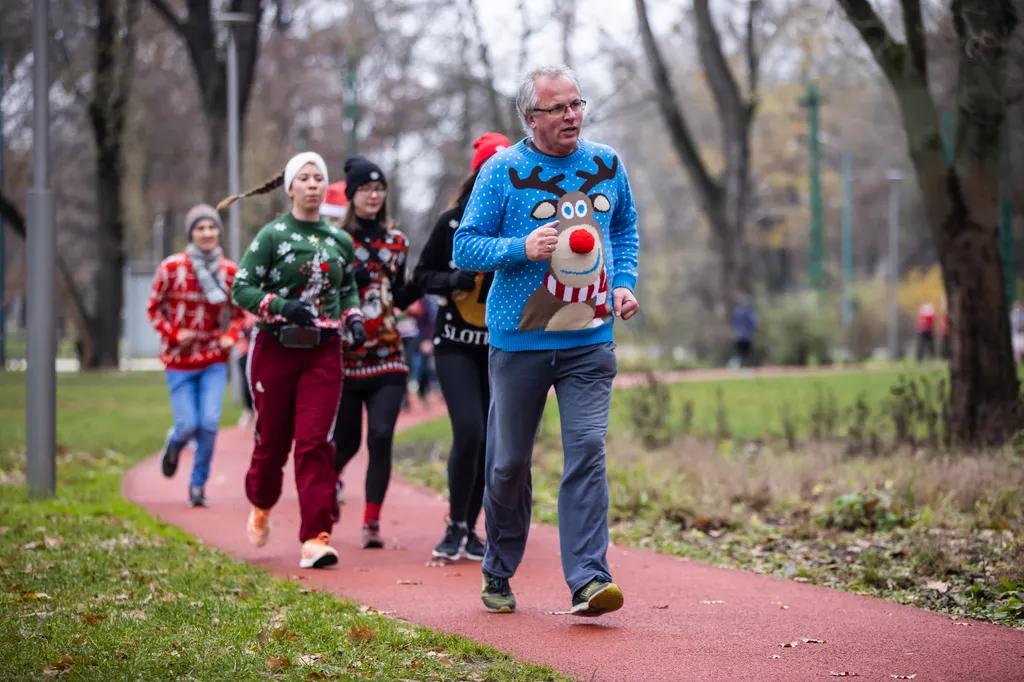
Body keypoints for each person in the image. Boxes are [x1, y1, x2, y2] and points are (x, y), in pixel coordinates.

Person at [453, 65, 640, 616]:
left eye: (577, 104)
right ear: (530, 119)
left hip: (590, 339)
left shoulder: (607, 164)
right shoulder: (502, 171)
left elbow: (624, 228)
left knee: (587, 451)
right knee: (508, 462)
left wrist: (623, 285)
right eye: (558, 108)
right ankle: (498, 567)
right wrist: (520, 247)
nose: (572, 116)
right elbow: (465, 247)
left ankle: (588, 579)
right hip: (518, 341)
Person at [220, 151, 367, 569]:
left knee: (315, 442)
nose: (313, 185)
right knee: (272, 443)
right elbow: (241, 289)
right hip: (275, 349)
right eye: (304, 178)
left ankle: (315, 538)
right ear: (289, 188)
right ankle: (262, 505)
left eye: (318, 178)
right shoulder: (272, 236)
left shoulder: (339, 239)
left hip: (323, 351)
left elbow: (347, 291)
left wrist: (353, 320)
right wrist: (282, 306)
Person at [413, 131, 508, 562]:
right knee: (469, 432)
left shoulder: (523, 221)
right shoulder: (452, 222)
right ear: (477, 175)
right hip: (454, 346)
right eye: (490, 169)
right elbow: (422, 276)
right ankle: (455, 526)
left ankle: (472, 529)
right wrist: (452, 281)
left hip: (500, 349)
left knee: (491, 443)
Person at [332, 156, 423, 549]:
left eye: (379, 188)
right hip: (346, 356)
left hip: (388, 353)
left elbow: (400, 295)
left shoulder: (396, 241)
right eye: (365, 189)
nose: (373, 195)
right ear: (351, 195)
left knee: (382, 436)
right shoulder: (335, 240)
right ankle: (320, 490)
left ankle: (371, 522)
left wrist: (427, 281)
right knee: (347, 442)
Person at [147, 204, 247, 508]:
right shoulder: (171, 268)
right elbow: (153, 309)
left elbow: (242, 315)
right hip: (178, 360)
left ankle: (197, 485)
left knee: (209, 423)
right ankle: (174, 443)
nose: (207, 233)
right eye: (200, 228)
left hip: (214, 360)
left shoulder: (230, 272)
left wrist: (230, 337)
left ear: (219, 232)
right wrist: (175, 333)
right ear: (191, 233)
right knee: (188, 424)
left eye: (212, 228)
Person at [235, 309, 257, 429]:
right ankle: (249, 410)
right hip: (245, 352)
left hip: (260, 352)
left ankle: (258, 412)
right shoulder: (242, 311)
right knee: (246, 385)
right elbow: (239, 328)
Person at [729, 294, 758, 370]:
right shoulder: (745, 311)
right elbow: (754, 321)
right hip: (744, 335)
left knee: (742, 352)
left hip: (744, 335)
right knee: (742, 352)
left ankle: (741, 367)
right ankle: (739, 366)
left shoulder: (739, 311)